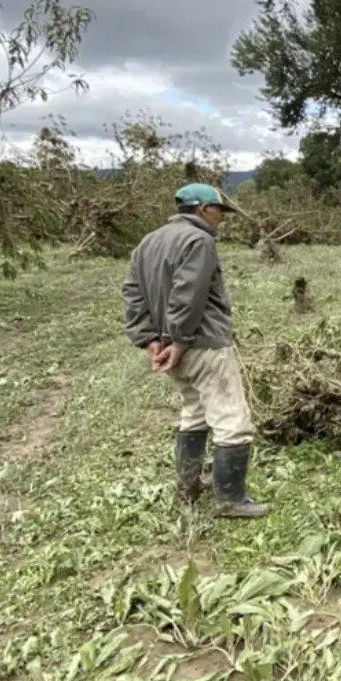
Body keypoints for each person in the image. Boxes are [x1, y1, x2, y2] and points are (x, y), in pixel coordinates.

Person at [122, 183, 270, 518]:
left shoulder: (148, 242)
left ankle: (188, 489)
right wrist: (179, 339)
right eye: (219, 211)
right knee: (231, 418)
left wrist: (150, 339)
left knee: (194, 412)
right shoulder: (199, 240)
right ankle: (230, 500)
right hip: (202, 344)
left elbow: (132, 293)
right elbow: (187, 295)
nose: (222, 218)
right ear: (203, 209)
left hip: (173, 347)